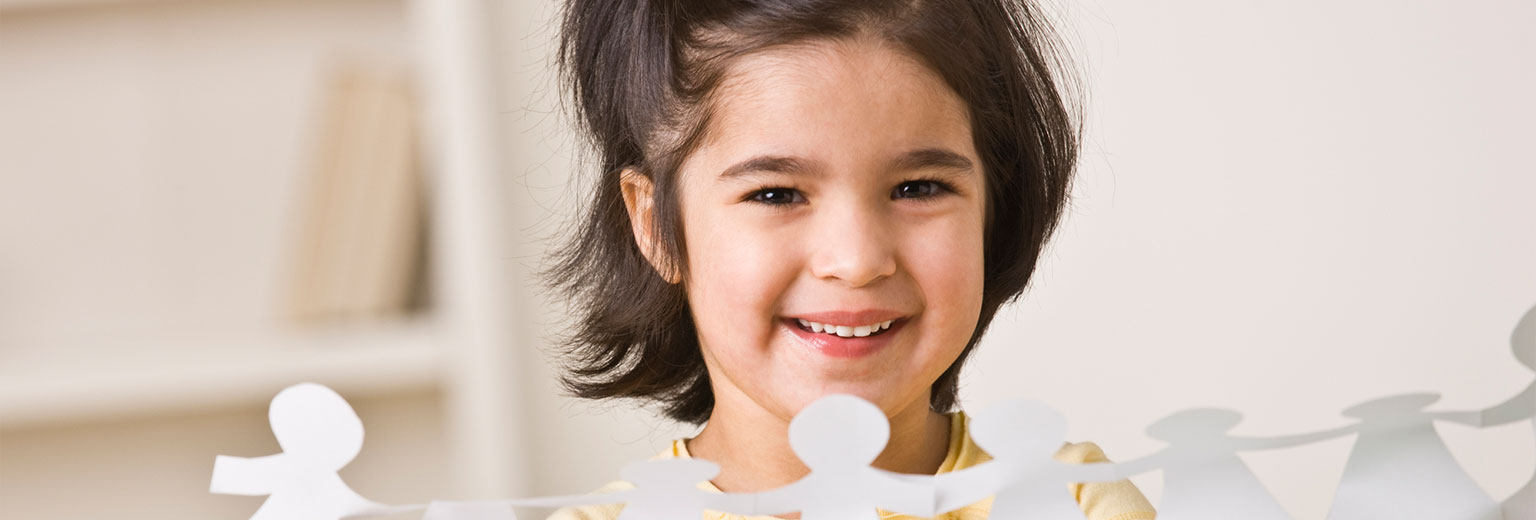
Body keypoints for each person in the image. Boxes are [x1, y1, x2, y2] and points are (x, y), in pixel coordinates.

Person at [541, 0, 1157, 518]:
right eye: (775, 194)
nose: (857, 261)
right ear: (654, 225)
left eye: (918, 188)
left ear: (993, 207)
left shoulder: (1072, 502)